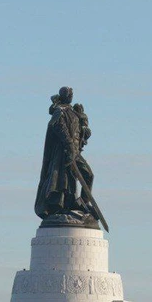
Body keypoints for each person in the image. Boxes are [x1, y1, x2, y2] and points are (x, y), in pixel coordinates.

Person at [34, 87, 99, 224]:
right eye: (69, 94)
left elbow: (80, 132)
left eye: (71, 94)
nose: (71, 96)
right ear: (64, 96)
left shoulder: (74, 112)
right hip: (63, 152)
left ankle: (83, 203)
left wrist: (85, 129)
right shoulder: (60, 111)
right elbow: (58, 127)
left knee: (88, 175)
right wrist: (68, 143)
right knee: (64, 180)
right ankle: (63, 205)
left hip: (75, 152)